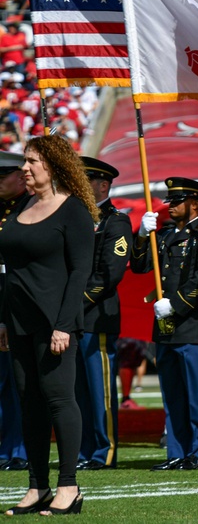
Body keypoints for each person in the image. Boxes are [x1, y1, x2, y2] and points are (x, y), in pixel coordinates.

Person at [0, 136, 97, 516]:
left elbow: (80, 274)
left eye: (31, 162)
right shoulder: (22, 204)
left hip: (54, 321)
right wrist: (3, 320)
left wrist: (64, 324)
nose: (24, 168)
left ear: (53, 166)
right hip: (18, 320)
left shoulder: (73, 211)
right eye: (24, 161)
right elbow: (9, 272)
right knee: (29, 403)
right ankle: (37, 485)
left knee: (58, 399)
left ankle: (69, 487)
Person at [132, 178, 198, 471]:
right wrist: (143, 236)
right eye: (169, 201)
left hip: (191, 322)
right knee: (172, 395)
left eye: (177, 201)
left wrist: (177, 303)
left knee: (196, 394)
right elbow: (140, 265)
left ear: (194, 203)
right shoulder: (166, 235)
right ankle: (176, 452)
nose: (171, 207)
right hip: (165, 324)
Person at [75, 157, 132, 471]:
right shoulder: (75, 218)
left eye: (85, 181)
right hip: (72, 319)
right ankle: (84, 450)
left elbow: (110, 274)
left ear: (103, 185)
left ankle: (103, 451)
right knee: (79, 391)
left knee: (100, 391)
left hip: (96, 315)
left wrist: (75, 303)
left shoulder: (116, 221)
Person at [0, 151, 28, 473]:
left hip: (17, 302)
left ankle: (20, 448)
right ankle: (7, 446)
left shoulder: (32, 209)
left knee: (20, 384)